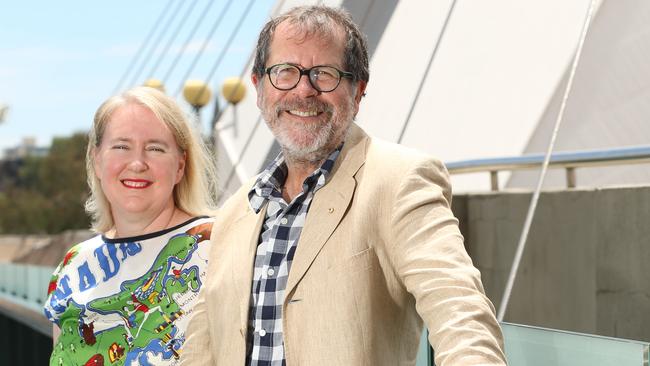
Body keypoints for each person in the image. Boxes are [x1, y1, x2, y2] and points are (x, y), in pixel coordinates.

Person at [182, 5, 506, 366]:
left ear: (358, 91)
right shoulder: (233, 215)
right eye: (285, 71)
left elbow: (460, 313)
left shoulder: (399, 181)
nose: (304, 90)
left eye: (324, 74)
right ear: (259, 89)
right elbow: (199, 354)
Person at [43, 86, 218, 366]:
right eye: (122, 146)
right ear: (96, 160)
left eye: (155, 148)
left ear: (180, 166)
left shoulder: (216, 246)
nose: (137, 163)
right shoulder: (73, 264)